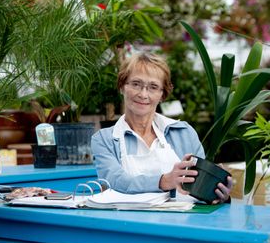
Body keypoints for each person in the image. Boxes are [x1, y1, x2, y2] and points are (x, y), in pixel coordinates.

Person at [91, 52, 232, 204]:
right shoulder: (104, 139)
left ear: (162, 94)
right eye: (136, 84)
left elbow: (199, 187)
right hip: (130, 224)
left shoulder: (184, 133)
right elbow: (116, 181)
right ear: (122, 87)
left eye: (153, 87)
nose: (143, 94)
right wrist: (164, 181)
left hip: (183, 224)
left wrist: (216, 193)